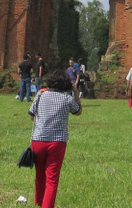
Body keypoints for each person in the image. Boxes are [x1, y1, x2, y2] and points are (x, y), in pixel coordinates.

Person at [27, 68, 82, 208]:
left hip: (38, 140)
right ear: (65, 84)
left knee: (39, 174)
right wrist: (75, 91)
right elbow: (78, 111)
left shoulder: (40, 96)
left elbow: (32, 115)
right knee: (52, 179)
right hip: (57, 142)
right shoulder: (67, 99)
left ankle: (39, 202)